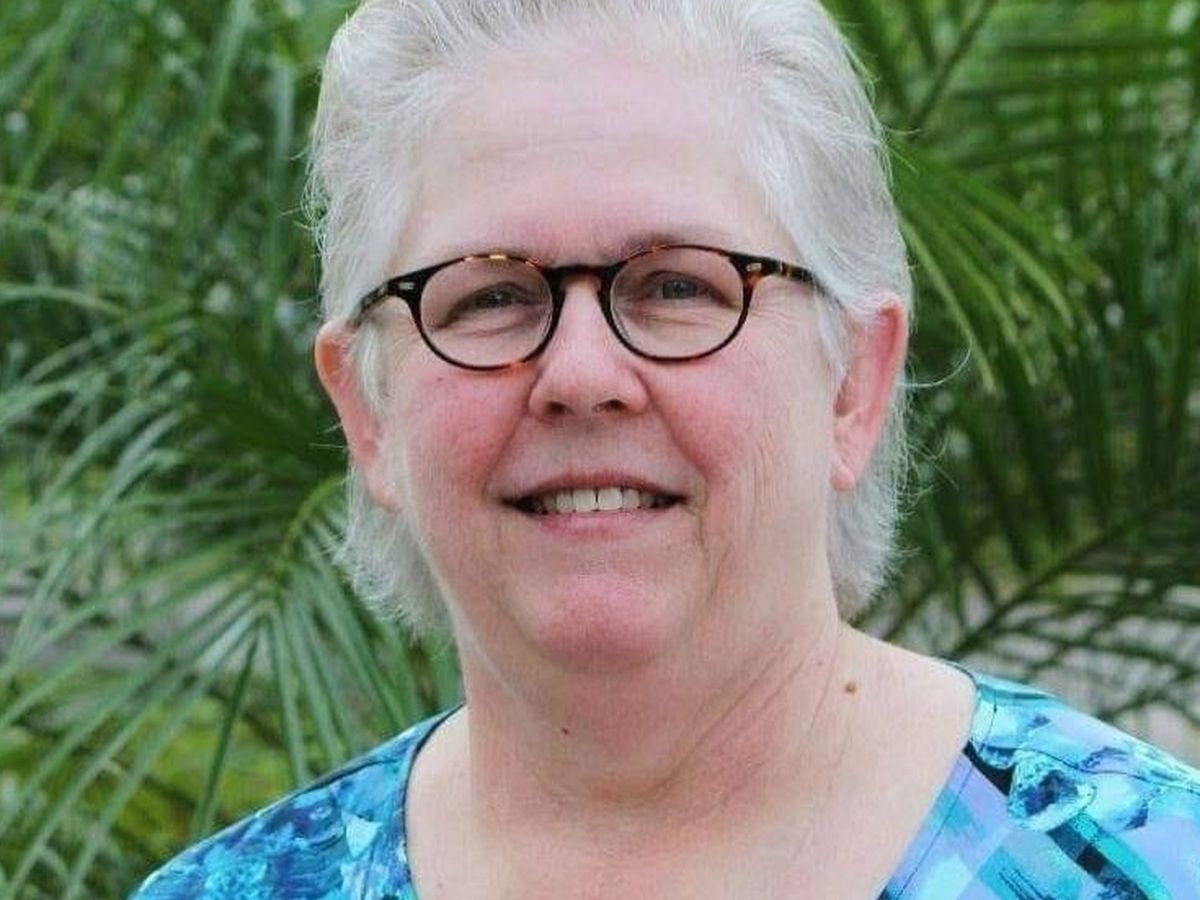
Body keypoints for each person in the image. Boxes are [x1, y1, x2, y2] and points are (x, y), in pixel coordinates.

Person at [131, 0, 1200, 897]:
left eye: (679, 284)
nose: (581, 374)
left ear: (854, 384)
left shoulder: (1140, 867)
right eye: (489, 298)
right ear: (367, 413)